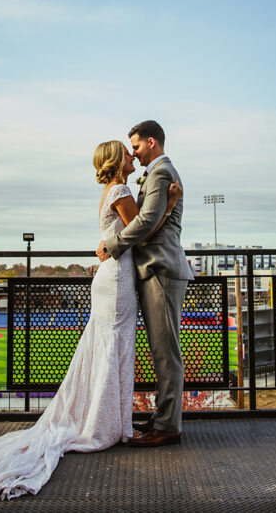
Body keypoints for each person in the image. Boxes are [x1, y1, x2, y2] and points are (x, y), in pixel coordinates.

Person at [0, 140, 182, 500]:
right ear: (116, 160)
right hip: (117, 278)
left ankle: (108, 421)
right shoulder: (122, 189)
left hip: (112, 276)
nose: (132, 156)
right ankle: (106, 425)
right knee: (114, 347)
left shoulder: (113, 189)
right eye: (127, 152)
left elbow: (130, 230)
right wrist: (169, 204)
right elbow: (144, 233)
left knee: (110, 347)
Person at [97, 120, 194, 447]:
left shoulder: (161, 172)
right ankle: (163, 417)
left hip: (161, 269)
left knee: (166, 352)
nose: (134, 155)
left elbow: (147, 221)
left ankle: (168, 426)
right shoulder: (155, 173)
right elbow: (149, 218)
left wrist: (113, 245)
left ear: (151, 142)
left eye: (136, 147)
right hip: (155, 270)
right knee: (161, 350)